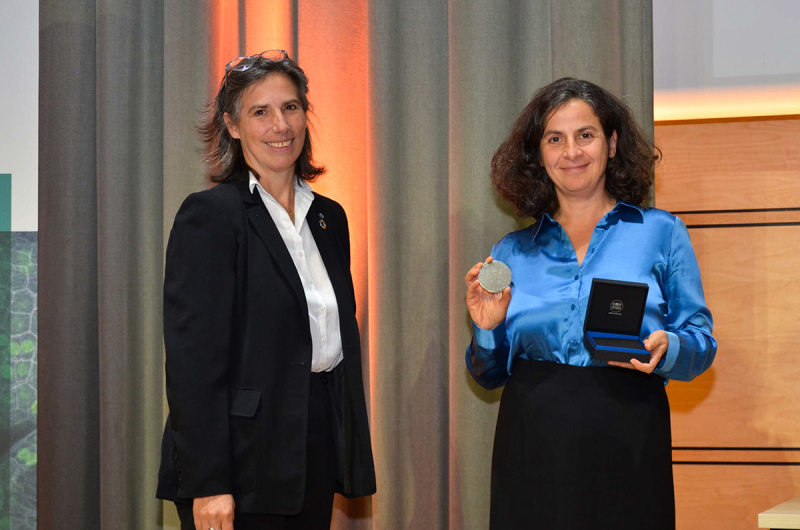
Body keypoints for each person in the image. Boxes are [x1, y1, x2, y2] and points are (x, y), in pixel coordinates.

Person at [464, 78, 716, 530]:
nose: (572, 152)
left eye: (586, 135)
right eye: (554, 139)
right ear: (538, 155)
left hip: (629, 433)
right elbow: (488, 375)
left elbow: (701, 341)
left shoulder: (661, 232)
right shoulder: (510, 251)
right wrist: (486, 328)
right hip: (532, 441)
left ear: (612, 143)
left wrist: (667, 350)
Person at [156, 50, 376, 530]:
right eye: (261, 111)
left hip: (312, 444)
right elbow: (194, 366)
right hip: (239, 460)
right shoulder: (211, 216)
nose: (281, 125)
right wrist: (210, 482)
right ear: (233, 127)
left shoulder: (329, 217)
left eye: (291, 107)